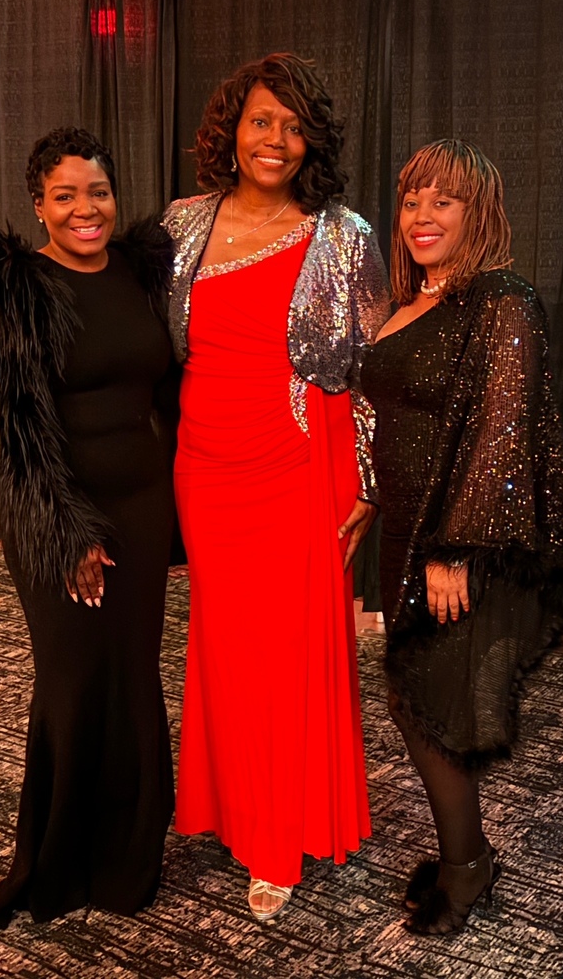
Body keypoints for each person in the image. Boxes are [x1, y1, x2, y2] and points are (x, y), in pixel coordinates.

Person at [163, 53, 390, 921]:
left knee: (290, 655)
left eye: (295, 127)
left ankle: (278, 838)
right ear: (233, 127)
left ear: (312, 143)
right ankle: (230, 808)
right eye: (263, 120)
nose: (277, 140)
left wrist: (367, 481)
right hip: (206, 465)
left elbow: (370, 368)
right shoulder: (180, 224)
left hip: (302, 460)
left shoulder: (344, 235)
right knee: (225, 645)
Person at [0, 127, 178, 927]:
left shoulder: (143, 271)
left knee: (134, 674)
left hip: (145, 507)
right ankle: (56, 861)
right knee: (74, 680)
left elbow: (171, 389)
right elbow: (0, 428)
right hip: (56, 513)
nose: (87, 209)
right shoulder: (8, 289)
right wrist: (64, 532)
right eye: (67, 195)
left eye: (99, 192)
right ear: (37, 204)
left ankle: (129, 858)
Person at [361, 139, 563, 935]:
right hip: (403, 532)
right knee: (414, 702)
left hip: (457, 541)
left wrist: (455, 548)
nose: (423, 215)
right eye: (413, 198)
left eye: (444, 201)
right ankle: (467, 855)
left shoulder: (503, 299)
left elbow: (502, 429)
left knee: (427, 709)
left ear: (479, 212)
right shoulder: (413, 299)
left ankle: (467, 870)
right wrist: (367, 497)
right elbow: (387, 416)